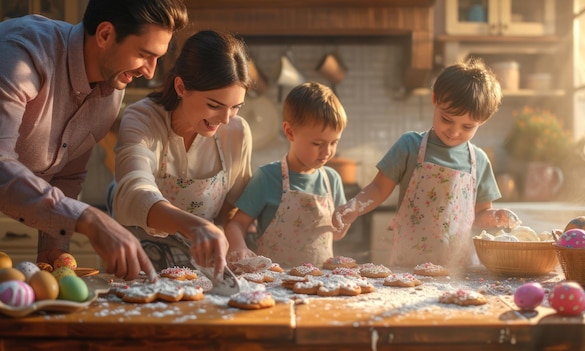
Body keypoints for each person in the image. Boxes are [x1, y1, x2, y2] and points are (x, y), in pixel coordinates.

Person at [0, 0, 188, 281]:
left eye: (158, 58)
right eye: (143, 54)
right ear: (104, 35)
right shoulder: (23, 56)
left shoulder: (112, 88)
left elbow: (67, 175)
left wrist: (54, 251)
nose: (150, 71)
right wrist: (87, 218)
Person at [333, 58, 521, 269]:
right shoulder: (409, 146)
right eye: (446, 119)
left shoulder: (479, 160)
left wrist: (494, 217)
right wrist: (355, 206)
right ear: (434, 100)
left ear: (483, 120)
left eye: (467, 126)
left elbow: (479, 215)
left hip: (458, 270)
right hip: (410, 267)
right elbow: (378, 187)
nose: (454, 131)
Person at [110, 30, 253, 278]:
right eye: (214, 105)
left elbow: (233, 207)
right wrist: (195, 227)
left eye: (235, 107)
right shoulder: (142, 119)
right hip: (137, 262)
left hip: (204, 267)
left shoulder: (237, 131)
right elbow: (133, 192)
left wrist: (233, 242)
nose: (226, 119)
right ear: (181, 87)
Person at [224, 81, 350, 268]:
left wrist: (349, 216)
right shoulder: (267, 177)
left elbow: (338, 234)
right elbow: (237, 224)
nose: (327, 151)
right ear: (290, 132)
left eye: (334, 143)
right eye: (317, 143)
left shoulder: (332, 180)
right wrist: (239, 247)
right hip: (274, 280)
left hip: (321, 281)